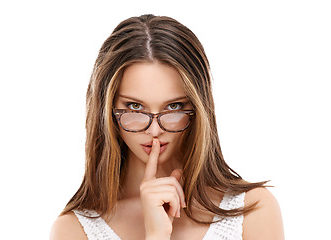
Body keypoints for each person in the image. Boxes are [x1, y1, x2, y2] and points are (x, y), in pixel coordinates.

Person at [50, 14, 284, 240]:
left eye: (173, 107)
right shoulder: (75, 230)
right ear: (107, 109)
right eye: (134, 106)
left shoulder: (252, 211)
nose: (154, 130)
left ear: (198, 109)